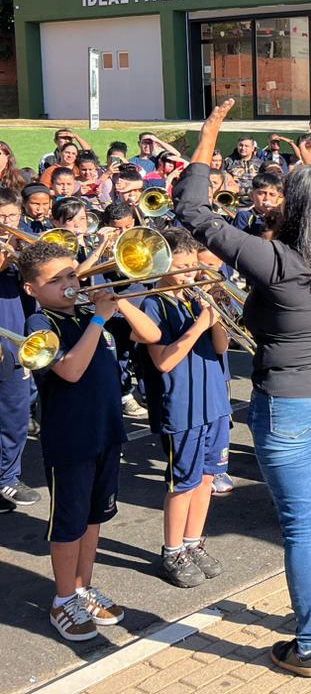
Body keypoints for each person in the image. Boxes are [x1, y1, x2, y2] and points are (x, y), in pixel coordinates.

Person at [174, 100, 311, 675]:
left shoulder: (275, 259)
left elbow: (192, 209)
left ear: (298, 207)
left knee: (302, 523)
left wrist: (209, 132)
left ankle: (309, 643)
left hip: (292, 398)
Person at [19, 240, 161, 641]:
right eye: (56, 279)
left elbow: (151, 334)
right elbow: (70, 371)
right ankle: (63, 598)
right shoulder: (40, 324)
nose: (68, 284)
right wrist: (99, 319)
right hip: (70, 439)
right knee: (69, 524)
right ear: (32, 289)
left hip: (106, 431)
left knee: (95, 518)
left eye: (71, 275)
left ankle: (82, 587)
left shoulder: (87, 312)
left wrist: (117, 303)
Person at [140, 229, 230, 588]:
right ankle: (172, 549)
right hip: (182, 406)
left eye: (195, 265)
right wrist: (199, 325)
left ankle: (194, 541)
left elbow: (222, 348)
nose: (192, 272)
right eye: (184, 266)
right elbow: (163, 361)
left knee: (207, 479)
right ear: (163, 264)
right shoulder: (153, 303)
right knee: (184, 482)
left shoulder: (196, 297)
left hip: (214, 401)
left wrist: (218, 313)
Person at [0, 188, 38, 513]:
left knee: (15, 412)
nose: (7, 223)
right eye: (0, 218)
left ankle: (7, 476)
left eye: (12, 217)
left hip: (14, 339)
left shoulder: (22, 239)